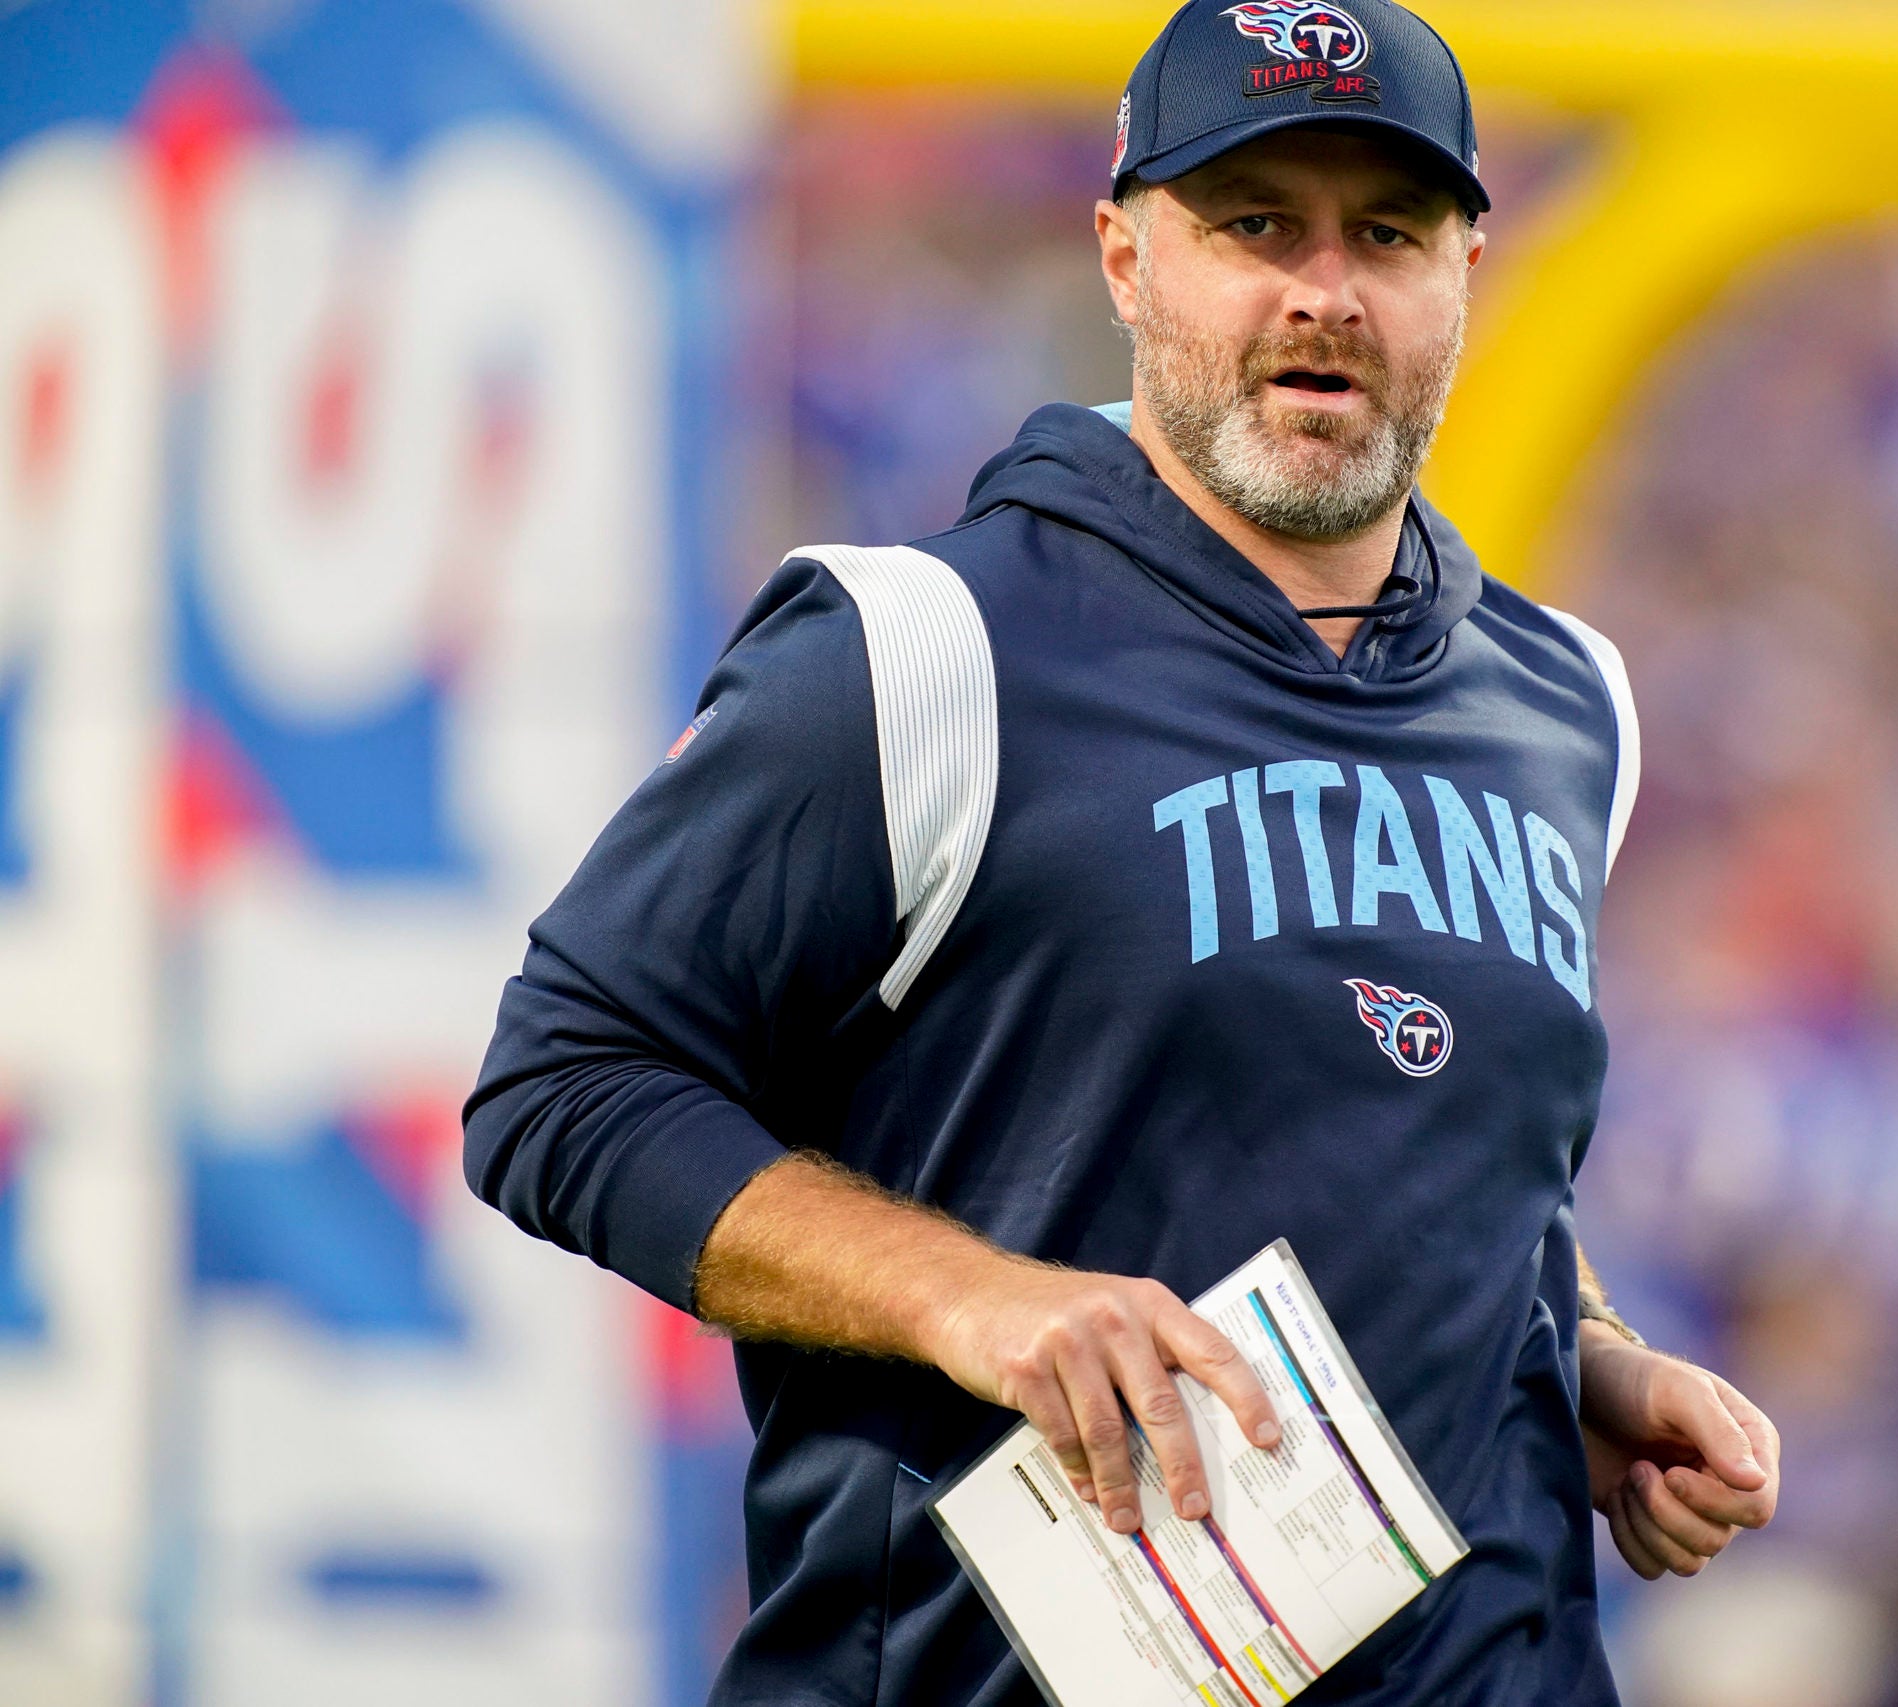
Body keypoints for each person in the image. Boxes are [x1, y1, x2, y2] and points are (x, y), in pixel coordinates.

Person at [463, 1, 1779, 1700]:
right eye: (1254, 224)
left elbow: (1440, 1128)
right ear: (1124, 255)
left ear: (1465, 271)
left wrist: (1583, 1348)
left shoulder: (1566, 701)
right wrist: (971, 1300)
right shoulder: (921, 650)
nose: (1325, 289)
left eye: (1386, 232)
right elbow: (560, 1086)